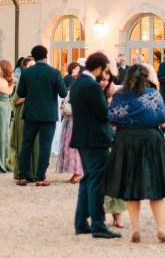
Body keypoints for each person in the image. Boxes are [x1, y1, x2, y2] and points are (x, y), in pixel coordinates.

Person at [105, 63, 165, 243]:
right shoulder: (153, 94)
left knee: (131, 187)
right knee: (156, 187)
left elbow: (112, 116)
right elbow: (162, 117)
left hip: (126, 141)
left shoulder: (120, 95)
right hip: (151, 139)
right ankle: (161, 228)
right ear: (146, 77)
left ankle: (135, 230)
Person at [69, 52, 121, 239]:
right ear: (98, 68)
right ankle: (98, 225)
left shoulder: (77, 83)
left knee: (88, 180)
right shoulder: (91, 86)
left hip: (83, 138)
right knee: (97, 182)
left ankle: (81, 222)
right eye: (103, 70)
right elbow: (102, 114)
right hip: (95, 139)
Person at [16, 45, 67, 186]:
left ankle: (23, 176)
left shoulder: (26, 73)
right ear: (46, 56)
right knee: (45, 145)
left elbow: (20, 93)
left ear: (33, 56)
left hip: (31, 113)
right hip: (48, 114)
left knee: (26, 144)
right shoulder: (55, 72)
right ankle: (40, 177)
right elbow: (63, 93)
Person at [98, 70, 126, 228]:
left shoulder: (115, 93)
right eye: (102, 79)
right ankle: (106, 212)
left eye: (106, 80)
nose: (104, 82)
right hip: (101, 139)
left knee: (117, 177)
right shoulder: (95, 93)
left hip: (115, 137)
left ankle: (118, 213)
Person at [9, 57, 39, 179]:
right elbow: (15, 100)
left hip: (36, 113)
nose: (33, 68)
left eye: (34, 65)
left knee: (36, 144)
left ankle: (34, 173)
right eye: (30, 65)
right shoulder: (23, 77)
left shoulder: (37, 78)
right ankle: (24, 172)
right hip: (23, 113)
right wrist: (30, 97)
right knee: (24, 143)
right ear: (24, 67)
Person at [56, 70, 84, 183]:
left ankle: (79, 172)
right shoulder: (75, 87)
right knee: (69, 146)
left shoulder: (82, 89)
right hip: (69, 120)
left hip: (75, 121)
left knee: (75, 147)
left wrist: (67, 107)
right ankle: (75, 172)